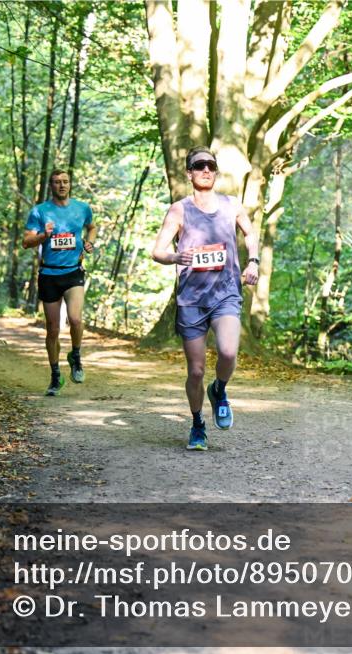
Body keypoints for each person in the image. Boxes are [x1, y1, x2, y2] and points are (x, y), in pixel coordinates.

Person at [152, 147, 259, 451]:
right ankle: (198, 423)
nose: (206, 170)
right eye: (199, 165)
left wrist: (253, 262)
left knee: (228, 351)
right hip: (191, 299)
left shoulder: (231, 205)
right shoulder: (179, 210)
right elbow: (157, 251)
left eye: (211, 165)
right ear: (189, 173)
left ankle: (219, 390)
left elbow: (250, 234)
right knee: (196, 370)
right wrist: (176, 256)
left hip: (225, 293)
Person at [22, 169, 96, 396]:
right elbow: (26, 242)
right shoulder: (40, 211)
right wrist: (43, 236)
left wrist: (90, 242)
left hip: (73, 272)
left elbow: (92, 227)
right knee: (53, 329)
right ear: (51, 186)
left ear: (70, 184)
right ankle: (55, 376)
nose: (61, 185)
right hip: (49, 274)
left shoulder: (82, 208)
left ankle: (76, 355)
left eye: (65, 181)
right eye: (57, 182)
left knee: (75, 319)